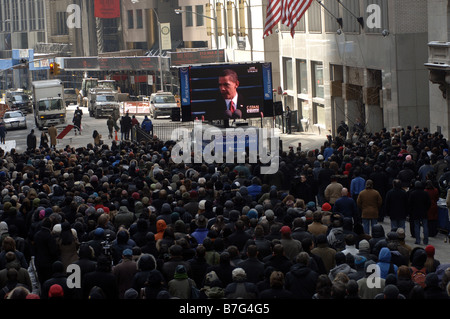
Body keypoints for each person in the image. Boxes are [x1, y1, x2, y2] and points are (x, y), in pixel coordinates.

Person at [408, 181, 431, 245]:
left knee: (416, 226)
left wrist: (411, 211)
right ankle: (426, 240)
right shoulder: (425, 193)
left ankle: (418, 240)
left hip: (415, 212)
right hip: (424, 212)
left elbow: (410, 203)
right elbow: (429, 203)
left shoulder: (413, 193)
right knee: (425, 226)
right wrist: (426, 209)